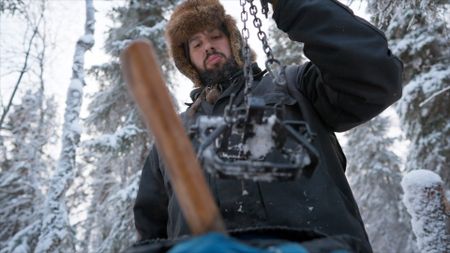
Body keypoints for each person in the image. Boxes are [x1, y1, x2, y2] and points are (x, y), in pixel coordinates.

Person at [133, 0, 403, 252]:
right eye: (196, 43)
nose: (208, 46)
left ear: (233, 41)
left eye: (216, 36)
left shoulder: (294, 86)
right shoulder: (171, 137)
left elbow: (373, 75)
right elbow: (151, 227)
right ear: (188, 61)